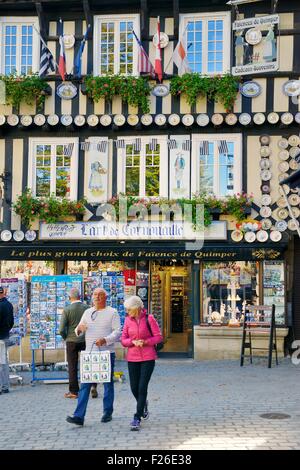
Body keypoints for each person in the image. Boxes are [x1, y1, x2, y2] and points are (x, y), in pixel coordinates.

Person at [66, 287, 121, 426]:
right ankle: (79, 416)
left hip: (106, 353)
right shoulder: (87, 312)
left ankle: (107, 412)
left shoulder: (112, 312)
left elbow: (117, 332)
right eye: (95, 294)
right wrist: (79, 329)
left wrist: (106, 340)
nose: (96, 297)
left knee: (107, 384)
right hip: (90, 354)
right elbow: (77, 330)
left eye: (100, 295)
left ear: (105, 297)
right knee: (85, 385)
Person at [121, 296, 163, 431]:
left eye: (129, 309)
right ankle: (143, 403)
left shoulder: (149, 318)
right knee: (134, 387)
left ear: (137, 308)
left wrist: (145, 342)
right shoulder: (128, 320)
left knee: (142, 387)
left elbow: (158, 337)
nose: (127, 312)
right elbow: (123, 339)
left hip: (148, 357)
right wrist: (132, 342)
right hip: (132, 357)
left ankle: (137, 417)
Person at [59, 288, 89, 399]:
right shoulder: (87, 308)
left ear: (69, 297)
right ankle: (92, 386)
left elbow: (61, 329)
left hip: (71, 340)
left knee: (72, 366)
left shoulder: (67, 310)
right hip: (85, 339)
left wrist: (65, 337)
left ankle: (74, 391)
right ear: (80, 296)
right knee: (88, 364)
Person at [0, 286, 14, 394]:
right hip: (5, 336)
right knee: (4, 362)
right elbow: (12, 322)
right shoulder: (9, 305)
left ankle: (2, 386)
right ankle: (5, 386)